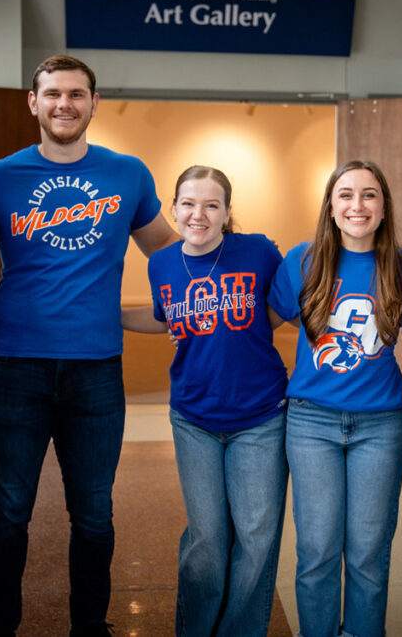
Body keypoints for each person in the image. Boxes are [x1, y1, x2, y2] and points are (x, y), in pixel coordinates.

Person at [0, 55, 177, 637]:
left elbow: (165, 251)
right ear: (34, 103)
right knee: (9, 510)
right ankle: (0, 626)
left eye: (77, 94)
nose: (65, 103)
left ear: (94, 103)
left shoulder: (128, 174)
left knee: (93, 513)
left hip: (95, 370)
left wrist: (216, 290)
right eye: (54, 94)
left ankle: (90, 626)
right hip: (14, 364)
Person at [267, 160, 402, 637]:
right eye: (345, 195)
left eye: (368, 195)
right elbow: (257, 327)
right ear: (331, 207)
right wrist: (194, 334)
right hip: (311, 423)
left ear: (383, 207)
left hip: (381, 426)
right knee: (317, 548)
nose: (357, 205)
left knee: (368, 551)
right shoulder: (303, 260)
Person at [123, 165, 289, 636]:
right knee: (208, 540)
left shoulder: (258, 252)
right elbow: (166, 319)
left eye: (211, 205)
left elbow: (277, 310)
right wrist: (109, 319)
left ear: (227, 212)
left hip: (259, 416)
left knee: (256, 538)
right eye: (189, 204)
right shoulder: (162, 263)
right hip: (194, 416)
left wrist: (234, 327)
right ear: (173, 209)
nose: (199, 214)